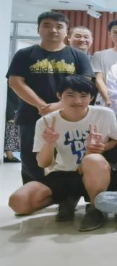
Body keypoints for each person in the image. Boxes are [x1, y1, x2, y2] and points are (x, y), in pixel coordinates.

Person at [7, 76, 117, 232]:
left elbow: (116, 139)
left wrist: (101, 148)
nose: (77, 101)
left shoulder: (104, 114)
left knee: (93, 160)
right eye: (70, 95)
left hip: (96, 174)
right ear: (59, 96)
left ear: (91, 97)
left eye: (83, 96)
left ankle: (96, 208)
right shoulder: (46, 122)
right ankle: (66, 199)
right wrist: (49, 143)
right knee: (19, 202)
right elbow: (43, 163)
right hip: (63, 174)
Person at [7, 11, 94, 183]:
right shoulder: (24, 54)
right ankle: (35, 192)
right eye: (47, 25)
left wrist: (58, 106)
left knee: (68, 156)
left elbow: (85, 85)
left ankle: (64, 194)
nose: (53, 30)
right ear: (38, 29)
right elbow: (15, 82)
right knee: (31, 158)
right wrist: (41, 106)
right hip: (31, 115)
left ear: (66, 32)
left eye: (59, 26)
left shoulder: (79, 56)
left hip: (70, 117)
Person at [91, 19, 117, 107]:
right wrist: (108, 100)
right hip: (105, 101)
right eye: (116, 33)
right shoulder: (99, 55)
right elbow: (99, 80)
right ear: (110, 34)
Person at [4, 87, 21, 163]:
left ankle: (9, 154)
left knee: (12, 133)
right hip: (11, 110)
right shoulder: (7, 84)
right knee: (10, 133)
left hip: (16, 109)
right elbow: (6, 99)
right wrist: (10, 114)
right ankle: (9, 155)